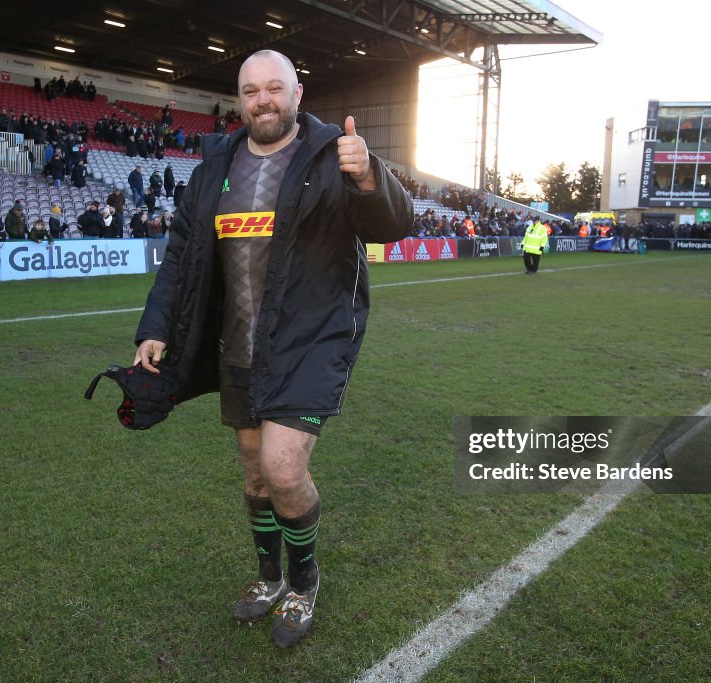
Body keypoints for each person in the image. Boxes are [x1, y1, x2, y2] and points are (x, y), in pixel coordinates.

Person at [131, 50, 413, 649]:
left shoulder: (334, 153)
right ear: (240, 98)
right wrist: (154, 326)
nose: (264, 100)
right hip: (238, 345)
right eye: (252, 90)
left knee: (284, 470)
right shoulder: (215, 165)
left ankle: (304, 583)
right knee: (257, 476)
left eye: (275, 89)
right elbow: (181, 254)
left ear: (297, 93)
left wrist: (368, 176)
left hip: (308, 341)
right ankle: (268, 578)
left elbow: (394, 225)